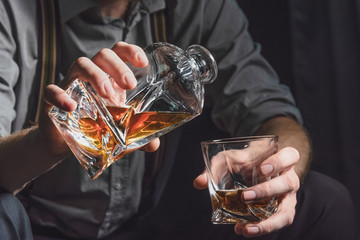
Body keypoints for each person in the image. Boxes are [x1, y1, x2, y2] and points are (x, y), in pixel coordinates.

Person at [0, 0, 357, 239]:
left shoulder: (196, 6)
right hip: (34, 226)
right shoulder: (12, 11)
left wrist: (278, 169)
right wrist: (47, 143)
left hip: (147, 225)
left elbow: (273, 112)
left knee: (325, 200)